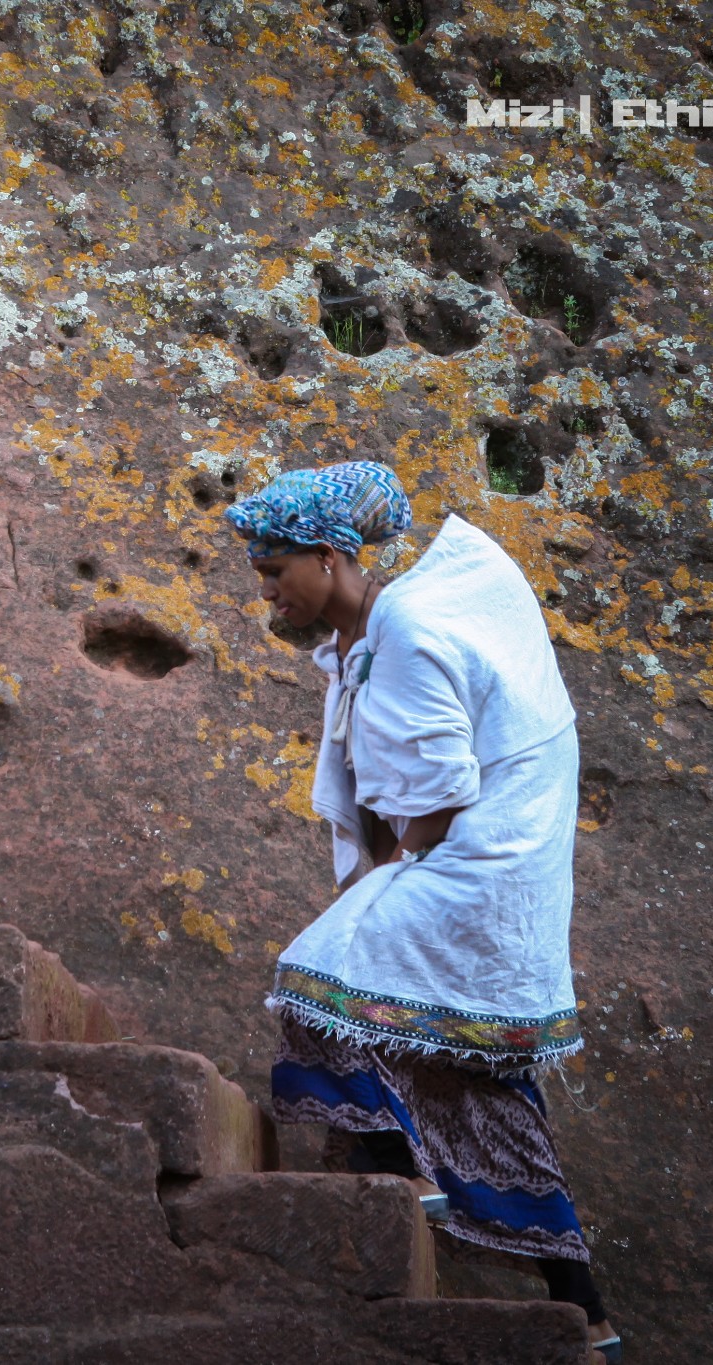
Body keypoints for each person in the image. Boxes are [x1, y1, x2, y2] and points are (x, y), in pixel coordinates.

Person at [225, 462, 621, 1365]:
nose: (268, 593)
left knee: (312, 988)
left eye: (275, 571)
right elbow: (378, 796)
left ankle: (399, 1189)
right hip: (472, 872)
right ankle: (589, 1316)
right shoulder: (358, 648)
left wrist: (388, 881)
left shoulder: (399, 625)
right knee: (468, 1073)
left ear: (330, 557)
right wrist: (376, 874)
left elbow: (437, 799)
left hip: (476, 865)